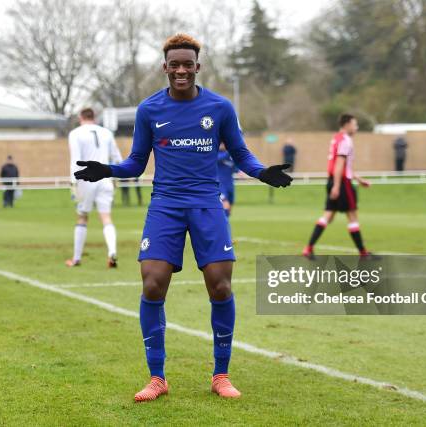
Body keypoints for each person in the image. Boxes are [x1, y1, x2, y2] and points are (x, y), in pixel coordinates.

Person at [74, 33, 292, 402]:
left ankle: (220, 374)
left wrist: (261, 173)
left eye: (187, 64)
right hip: (166, 205)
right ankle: (157, 378)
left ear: (197, 67)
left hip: (207, 203)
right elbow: (136, 163)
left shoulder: (220, 108)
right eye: (174, 64)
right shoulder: (149, 111)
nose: (180, 70)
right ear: (165, 67)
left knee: (220, 285)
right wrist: (107, 169)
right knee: (153, 284)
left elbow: (241, 153)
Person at [302, 114, 376, 260]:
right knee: (352, 216)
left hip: (334, 180)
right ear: (347, 124)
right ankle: (363, 253)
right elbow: (340, 164)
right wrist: (337, 186)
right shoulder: (346, 141)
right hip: (342, 183)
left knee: (327, 216)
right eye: (355, 125)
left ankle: (308, 249)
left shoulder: (336, 138)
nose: (356, 128)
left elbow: (342, 165)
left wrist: (359, 180)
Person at [66, 107, 123, 268]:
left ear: (80, 117)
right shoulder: (107, 133)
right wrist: (116, 176)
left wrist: (73, 182)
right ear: (95, 118)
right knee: (106, 217)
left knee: (83, 216)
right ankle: (112, 252)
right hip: (105, 178)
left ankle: (76, 258)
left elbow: (75, 160)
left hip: (86, 179)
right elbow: (117, 158)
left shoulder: (75, 134)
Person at [217, 143, 238, 219]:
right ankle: (223, 227)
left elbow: (235, 169)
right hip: (219, 185)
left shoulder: (231, 157)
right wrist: (232, 149)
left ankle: (225, 224)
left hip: (230, 185)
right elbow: (220, 159)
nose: (222, 145)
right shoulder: (215, 154)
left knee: (229, 207)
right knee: (225, 204)